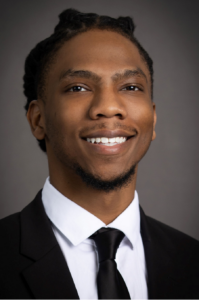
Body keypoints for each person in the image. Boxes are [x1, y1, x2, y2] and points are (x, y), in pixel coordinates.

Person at [0, 8, 198, 299]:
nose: (108, 106)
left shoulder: (192, 260)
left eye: (131, 87)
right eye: (78, 87)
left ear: (153, 120)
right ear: (38, 120)